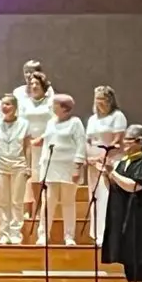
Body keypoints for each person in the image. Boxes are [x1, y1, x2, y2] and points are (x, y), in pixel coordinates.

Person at [94, 125, 142, 282]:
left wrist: (112, 172)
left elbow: (134, 186)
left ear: (140, 142)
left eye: (129, 141)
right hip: (124, 215)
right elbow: (115, 187)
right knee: (127, 254)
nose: (124, 144)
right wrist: (107, 174)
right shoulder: (123, 163)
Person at [34, 94, 87, 246]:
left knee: (68, 202)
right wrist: (40, 139)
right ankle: (43, 234)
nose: (51, 106)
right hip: (51, 167)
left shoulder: (75, 123)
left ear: (64, 108)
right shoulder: (51, 122)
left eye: (54, 104)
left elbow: (81, 144)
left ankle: (69, 236)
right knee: (48, 202)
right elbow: (50, 136)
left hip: (68, 168)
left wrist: (77, 166)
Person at [0, 95, 32, 245]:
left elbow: (27, 147)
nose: (5, 107)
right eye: (3, 104)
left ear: (15, 107)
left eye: (8, 104)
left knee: (17, 201)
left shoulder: (24, 124)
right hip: (0, 165)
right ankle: (4, 234)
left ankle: (15, 233)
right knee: (2, 201)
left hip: (19, 165)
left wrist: (29, 166)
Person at [86, 86, 129, 246]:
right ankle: (96, 233)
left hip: (110, 160)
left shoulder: (117, 116)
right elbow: (88, 140)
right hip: (93, 162)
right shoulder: (92, 119)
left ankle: (107, 234)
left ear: (110, 100)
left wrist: (101, 157)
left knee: (107, 197)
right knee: (95, 197)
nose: (99, 102)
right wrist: (88, 157)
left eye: (102, 99)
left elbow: (118, 141)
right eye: (97, 99)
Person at [19, 71, 56, 220]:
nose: (34, 86)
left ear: (43, 86)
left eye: (37, 84)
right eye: (31, 84)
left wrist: (43, 137)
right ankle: (32, 207)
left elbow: (54, 122)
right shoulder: (25, 102)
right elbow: (21, 122)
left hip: (45, 144)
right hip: (28, 145)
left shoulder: (50, 101)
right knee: (31, 177)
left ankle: (41, 208)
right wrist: (26, 140)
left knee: (42, 177)